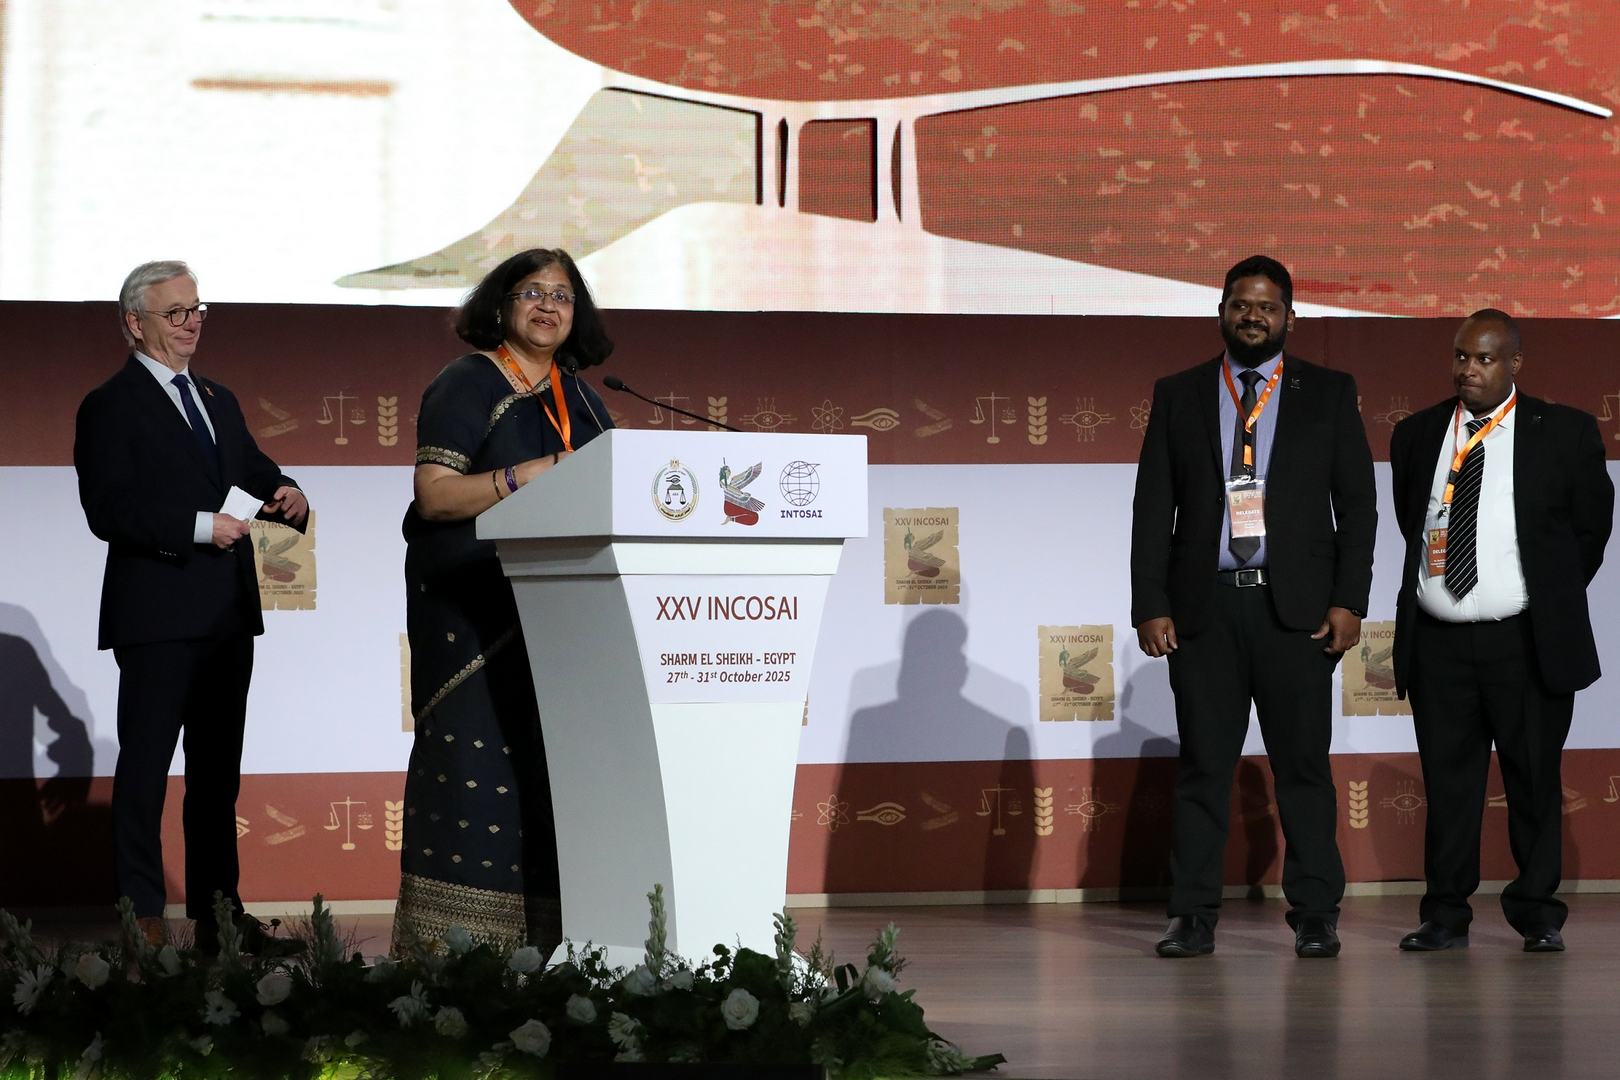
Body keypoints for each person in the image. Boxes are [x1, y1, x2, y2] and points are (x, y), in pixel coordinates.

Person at [1130, 255, 1376, 958]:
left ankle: (1316, 912)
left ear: (1289, 318)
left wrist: (1349, 601)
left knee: (1303, 769)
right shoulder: (1179, 393)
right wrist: (1150, 601)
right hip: (1204, 612)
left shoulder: (1328, 392)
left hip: (1295, 614)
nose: (1253, 317)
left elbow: (1357, 505)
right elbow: (1153, 507)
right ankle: (1191, 914)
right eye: (1241, 304)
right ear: (1221, 313)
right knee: (1203, 769)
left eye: (1267, 307)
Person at [74, 261, 309, 953]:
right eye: (175, 312)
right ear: (134, 323)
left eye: (197, 308)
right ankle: (143, 920)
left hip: (227, 613)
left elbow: (251, 468)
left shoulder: (216, 396)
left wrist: (287, 488)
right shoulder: (109, 404)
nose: (191, 322)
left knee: (216, 780)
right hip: (156, 615)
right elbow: (109, 510)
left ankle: (220, 921)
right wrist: (203, 527)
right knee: (145, 773)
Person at [395, 247, 615, 953]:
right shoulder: (467, 381)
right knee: (475, 771)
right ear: (501, 304)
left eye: (562, 295)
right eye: (532, 292)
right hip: (473, 615)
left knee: (552, 782)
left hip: (563, 617)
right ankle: (455, 955)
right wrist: (532, 474)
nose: (548, 305)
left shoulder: (585, 400)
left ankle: (555, 952)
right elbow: (435, 497)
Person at [1390, 309, 1613, 953]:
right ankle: (1444, 913)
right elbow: (1412, 523)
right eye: (1461, 357)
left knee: (1533, 780)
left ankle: (1537, 912)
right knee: (1448, 784)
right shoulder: (1417, 434)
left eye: (1485, 359)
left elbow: (1591, 531)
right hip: (1439, 643)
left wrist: (1544, 597)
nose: (1469, 370)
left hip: (1525, 641)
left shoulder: (1565, 432)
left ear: (1515, 363)